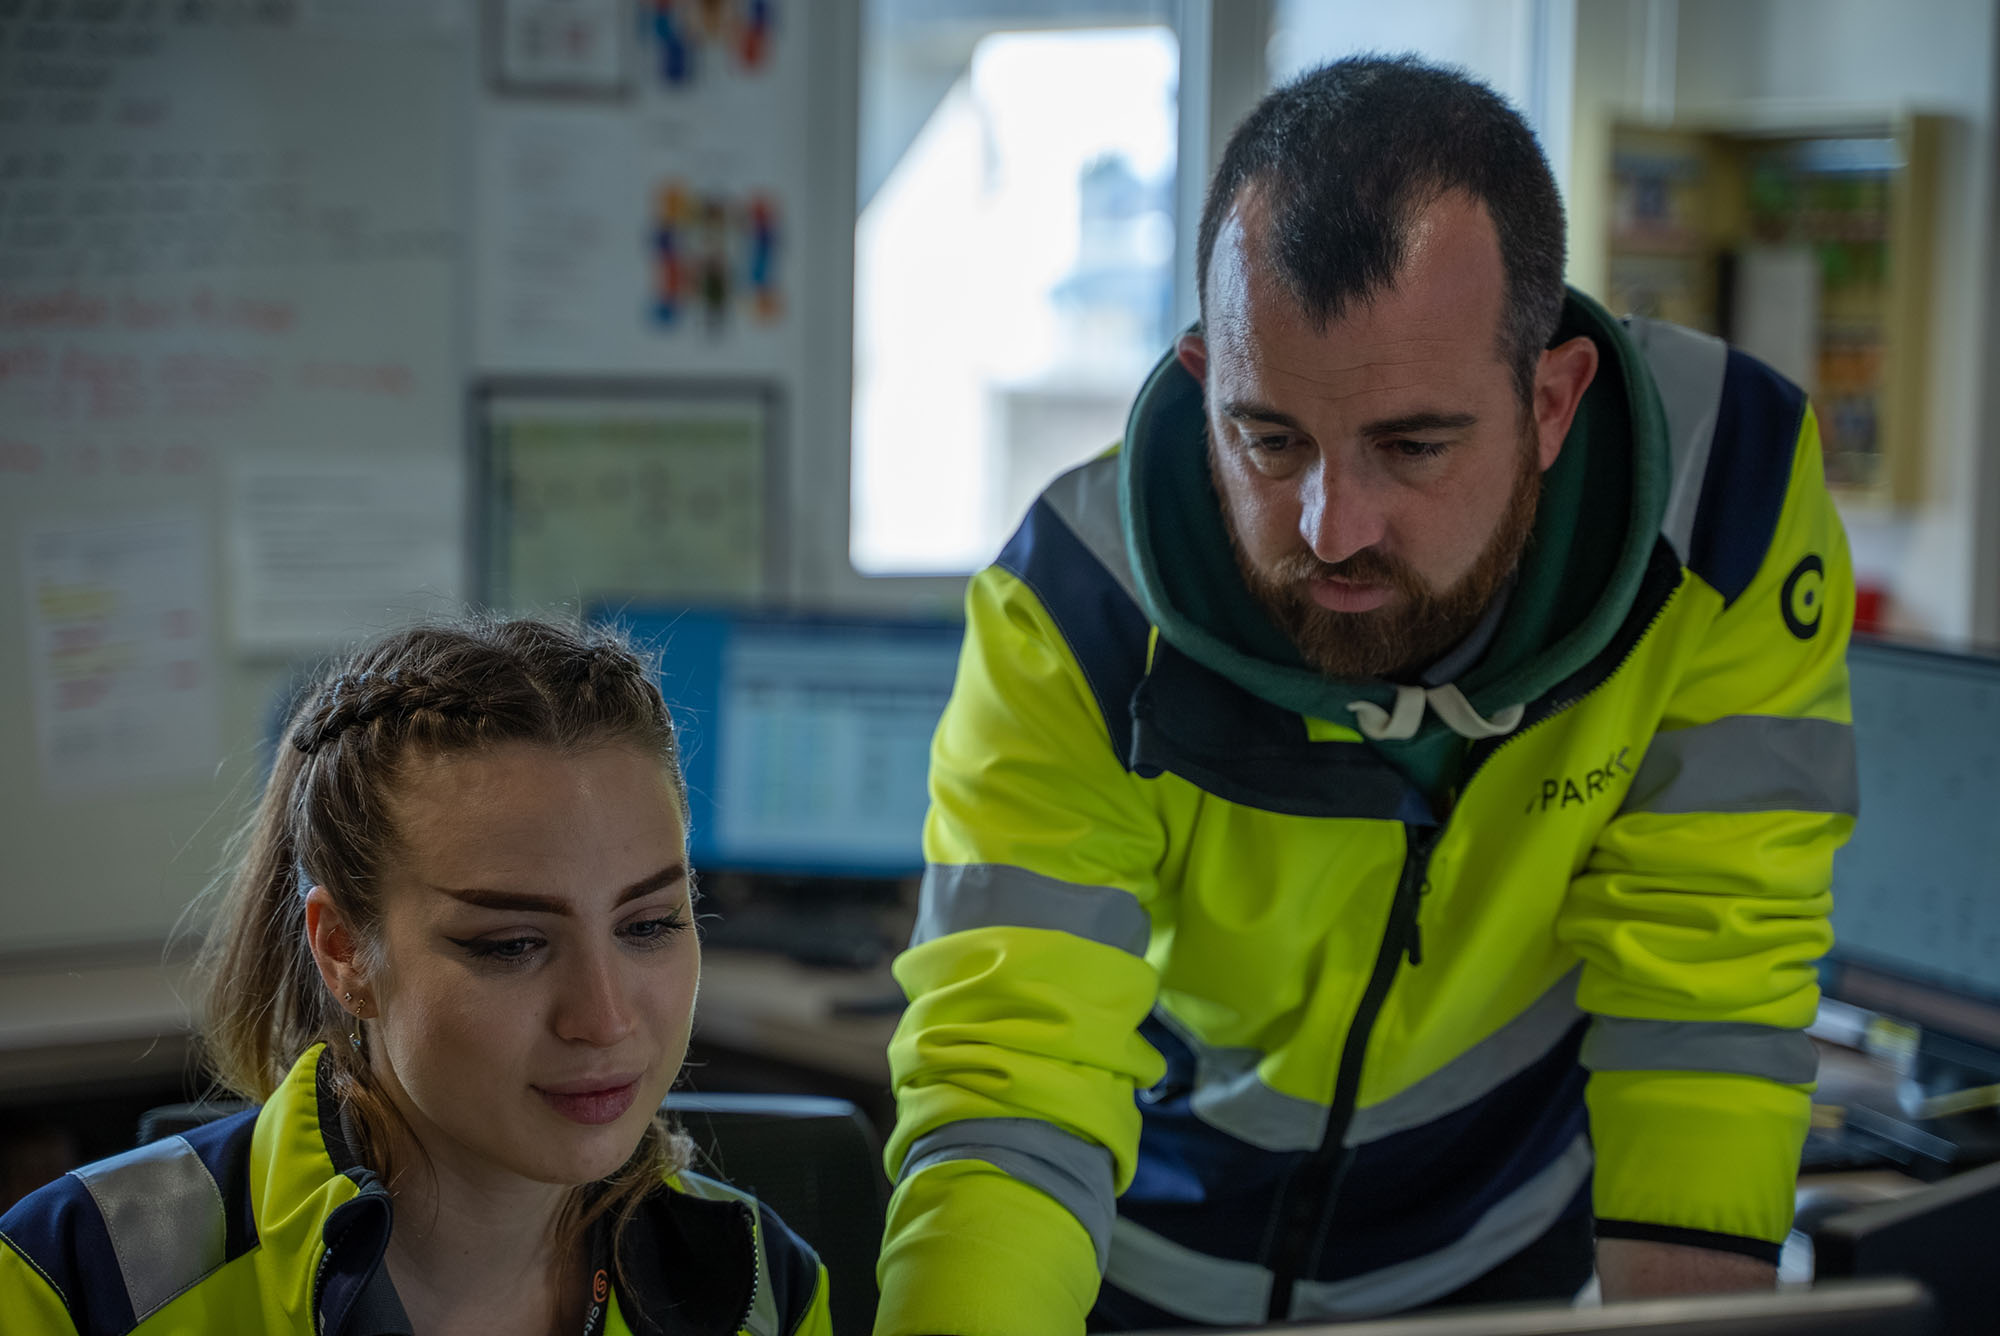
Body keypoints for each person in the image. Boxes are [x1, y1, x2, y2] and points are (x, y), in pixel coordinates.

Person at [875, 56, 1855, 1334]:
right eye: (1267, 439)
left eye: (1412, 445)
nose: (1330, 528)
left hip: (1490, 1266)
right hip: (1130, 1258)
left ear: (1552, 400)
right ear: (1197, 378)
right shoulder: (1074, 604)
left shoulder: (1724, 507)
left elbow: (1705, 990)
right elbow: (1014, 1075)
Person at [0, 619, 833, 1336]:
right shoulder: (75, 1282)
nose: (605, 1018)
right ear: (343, 954)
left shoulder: (760, 1290)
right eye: (511, 945)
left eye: (649, 926)